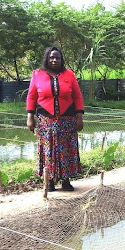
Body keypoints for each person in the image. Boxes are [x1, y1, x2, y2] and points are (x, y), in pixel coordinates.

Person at [26, 47, 84, 195]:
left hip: (67, 121)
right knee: (48, 151)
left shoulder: (69, 75)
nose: (54, 60)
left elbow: (77, 96)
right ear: (47, 58)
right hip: (46, 121)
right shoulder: (37, 75)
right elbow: (32, 97)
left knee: (65, 151)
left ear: (61, 59)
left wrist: (79, 117)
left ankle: (66, 181)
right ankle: (49, 181)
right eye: (51, 57)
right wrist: (30, 117)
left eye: (57, 58)